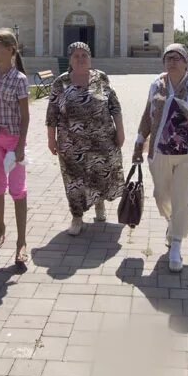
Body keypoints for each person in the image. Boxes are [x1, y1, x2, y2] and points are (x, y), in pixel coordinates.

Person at [133, 43, 188, 271]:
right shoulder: (157, 84)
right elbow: (148, 114)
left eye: (177, 57)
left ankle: (176, 243)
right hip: (159, 151)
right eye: (168, 57)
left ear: (186, 61)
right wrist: (139, 141)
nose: (172, 61)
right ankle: (172, 223)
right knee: (161, 195)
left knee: (181, 197)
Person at [45, 42, 125, 237]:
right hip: (70, 143)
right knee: (74, 181)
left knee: (100, 173)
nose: (80, 59)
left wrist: (120, 131)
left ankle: (99, 206)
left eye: (84, 55)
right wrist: (50, 139)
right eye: (76, 56)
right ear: (70, 60)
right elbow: (52, 113)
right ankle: (77, 217)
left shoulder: (100, 78)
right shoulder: (61, 82)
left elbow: (114, 105)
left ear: (90, 59)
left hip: (102, 140)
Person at [0, 28, 30, 265]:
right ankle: (0, 228)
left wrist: (21, 145)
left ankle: (21, 242)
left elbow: (25, 116)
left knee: (18, 190)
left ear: (10, 50)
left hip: (13, 140)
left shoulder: (20, 79)